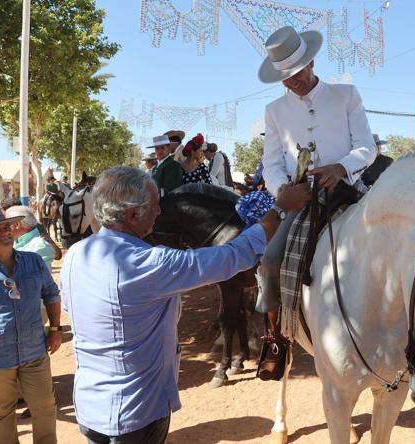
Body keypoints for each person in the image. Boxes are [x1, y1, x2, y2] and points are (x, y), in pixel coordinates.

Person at [60, 166, 310, 443]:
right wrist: (281, 209)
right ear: (132, 214)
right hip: (134, 413)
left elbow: (73, 310)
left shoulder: (74, 255)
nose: (159, 213)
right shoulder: (149, 263)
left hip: (90, 405)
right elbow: (233, 255)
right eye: (156, 207)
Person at [255, 26, 376, 326]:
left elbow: (366, 146)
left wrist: (342, 167)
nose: (293, 82)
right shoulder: (274, 111)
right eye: (285, 76)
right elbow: (270, 163)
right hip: (301, 198)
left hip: (347, 188)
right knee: (270, 262)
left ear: (311, 63)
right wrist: (283, 191)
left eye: (298, 72)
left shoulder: (345, 94)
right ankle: (276, 335)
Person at [0, 206, 61, 444]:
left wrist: (55, 329)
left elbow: (51, 294)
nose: (5, 232)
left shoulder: (33, 261)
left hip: (34, 352)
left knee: (45, 408)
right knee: (0, 416)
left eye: (6, 227)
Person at [5, 206, 56, 271]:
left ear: (17, 225)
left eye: (7, 225)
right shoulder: (14, 242)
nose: (5, 230)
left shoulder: (39, 245)